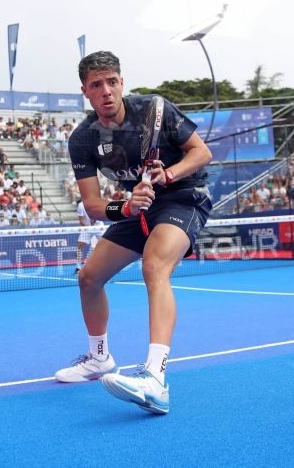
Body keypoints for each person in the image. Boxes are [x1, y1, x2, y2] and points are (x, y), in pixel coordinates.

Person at [55, 51, 213, 415]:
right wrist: (125, 207)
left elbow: (201, 153)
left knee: (154, 267)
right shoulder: (82, 139)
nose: (106, 90)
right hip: (137, 205)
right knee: (89, 278)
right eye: (97, 85)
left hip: (183, 198)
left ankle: (155, 378)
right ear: (86, 92)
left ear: (122, 82)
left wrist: (169, 174)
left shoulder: (154, 109)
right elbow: (94, 207)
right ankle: (99, 359)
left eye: (112, 81)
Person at [74, 196, 105, 274]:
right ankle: (78, 267)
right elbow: (81, 220)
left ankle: (110, 265)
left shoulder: (97, 202)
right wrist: (88, 228)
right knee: (80, 245)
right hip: (87, 227)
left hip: (98, 226)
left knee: (107, 244)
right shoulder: (80, 205)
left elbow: (102, 215)